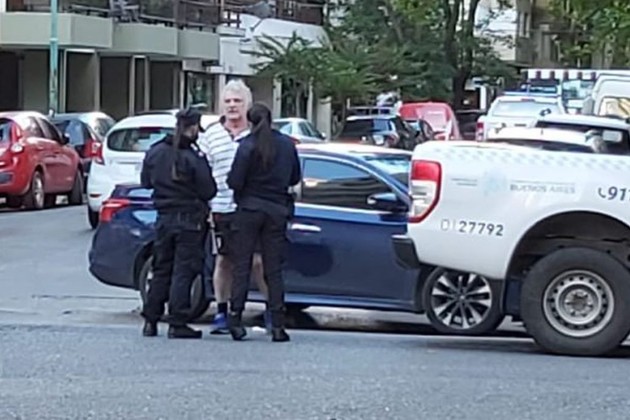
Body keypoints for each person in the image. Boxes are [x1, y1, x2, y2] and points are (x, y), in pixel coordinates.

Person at [197, 79, 270, 335]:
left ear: (247, 104)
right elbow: (202, 173)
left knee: (259, 262)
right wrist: (207, 207)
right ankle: (222, 312)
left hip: (251, 208)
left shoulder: (257, 135)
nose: (232, 106)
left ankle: (271, 311)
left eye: (237, 101)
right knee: (224, 261)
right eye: (227, 101)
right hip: (221, 208)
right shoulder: (211, 135)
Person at [226, 103, 302, 343]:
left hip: (249, 208)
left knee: (242, 265)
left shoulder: (247, 145)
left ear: (250, 121)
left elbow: (234, 181)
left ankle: (235, 319)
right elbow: (295, 177)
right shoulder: (287, 145)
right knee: (273, 269)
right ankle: (277, 324)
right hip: (277, 209)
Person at [140, 107, 217, 339]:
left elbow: (146, 182)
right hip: (189, 221)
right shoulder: (193, 157)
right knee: (183, 271)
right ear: (193, 128)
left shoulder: (155, 152)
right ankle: (177, 321)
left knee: (161, 269)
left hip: (164, 219)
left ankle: (151, 320)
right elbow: (209, 190)